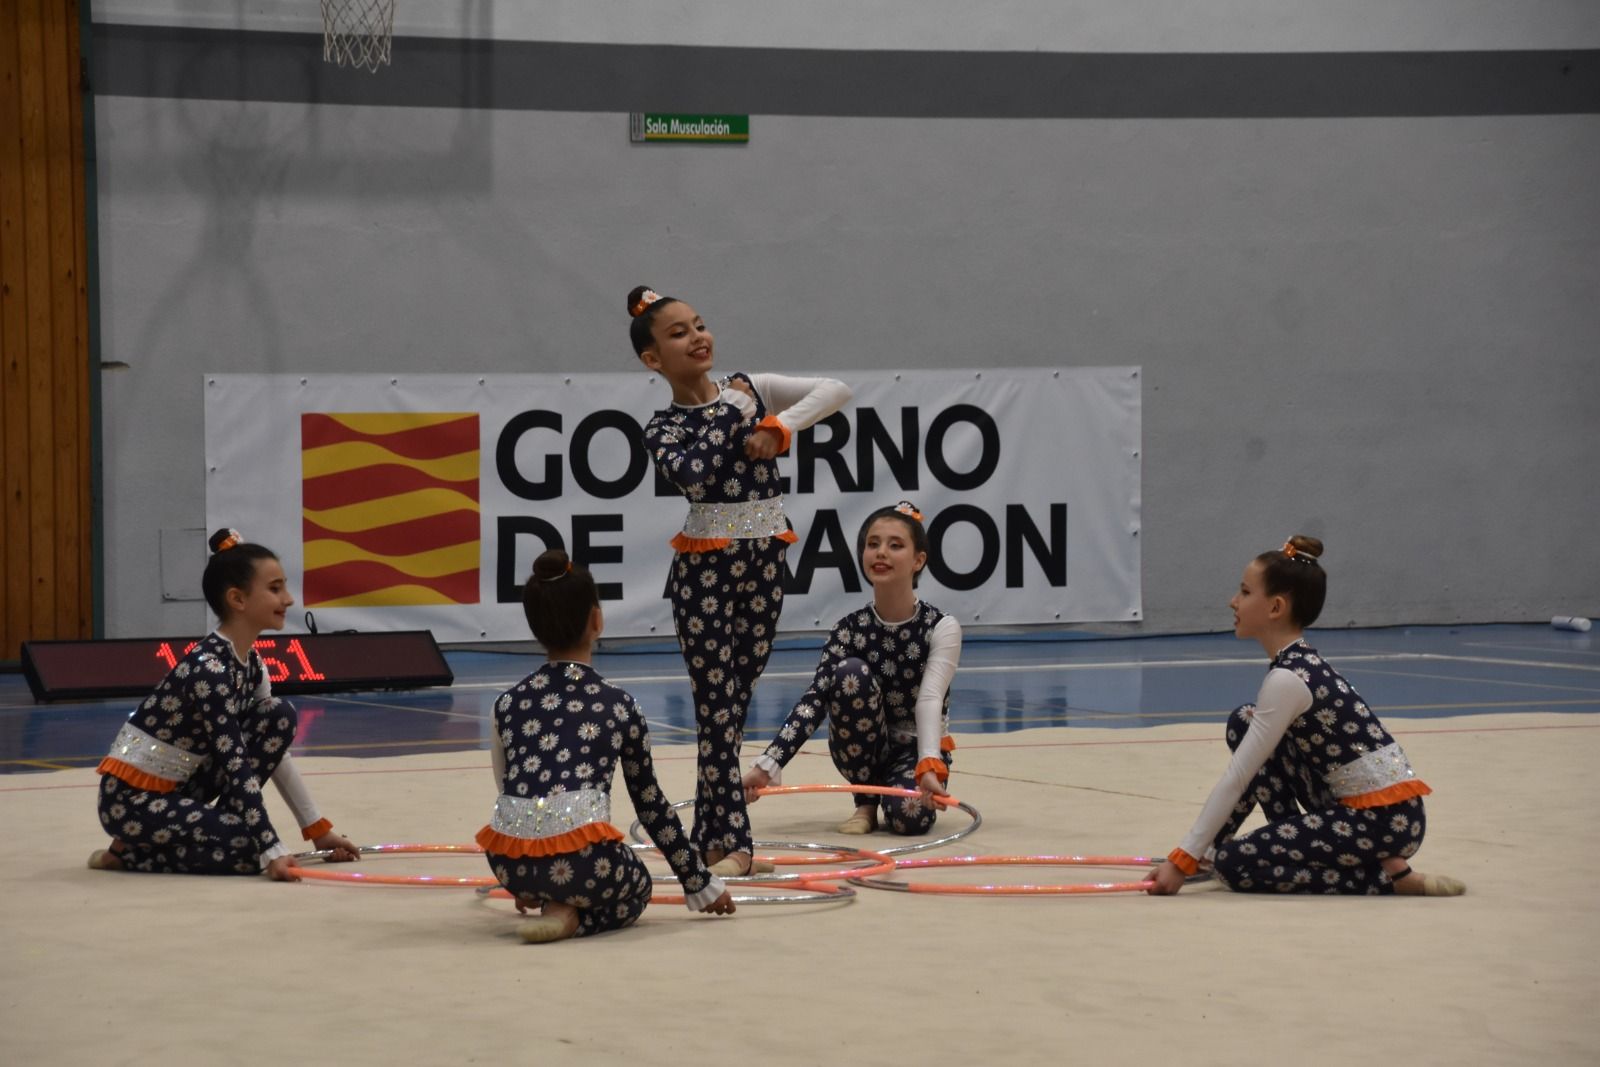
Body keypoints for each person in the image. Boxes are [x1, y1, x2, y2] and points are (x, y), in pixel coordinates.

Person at [629, 284, 851, 875]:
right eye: (678, 333)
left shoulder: (754, 387)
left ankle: (712, 840)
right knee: (715, 707)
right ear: (653, 360)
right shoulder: (663, 427)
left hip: (765, 562)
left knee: (732, 705)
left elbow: (837, 391)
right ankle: (737, 843)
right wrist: (733, 408)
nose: (698, 336)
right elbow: (697, 475)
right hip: (706, 570)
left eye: (699, 324)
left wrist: (781, 426)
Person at [1145, 535, 1464, 896]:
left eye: (1245, 593)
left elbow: (1238, 777)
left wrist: (1183, 856)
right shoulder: (1297, 664)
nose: (1233, 601)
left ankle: (1384, 879)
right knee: (1244, 721)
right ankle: (1247, 848)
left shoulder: (1287, 679)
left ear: (1276, 607)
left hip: (1385, 822)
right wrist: (1197, 852)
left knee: (1234, 866)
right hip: (1355, 809)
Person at [477, 550, 736, 943]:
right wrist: (698, 881)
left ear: (535, 626)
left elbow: (507, 787)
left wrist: (527, 865)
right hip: (584, 865)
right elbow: (650, 806)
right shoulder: (619, 704)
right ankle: (573, 917)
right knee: (639, 888)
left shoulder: (508, 703)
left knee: (546, 853)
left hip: (509, 863)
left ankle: (550, 895)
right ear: (596, 620)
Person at [89, 528, 358, 879]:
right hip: (131, 804)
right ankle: (129, 855)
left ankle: (225, 831)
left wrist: (317, 830)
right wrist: (270, 847)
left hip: (183, 788)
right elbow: (234, 763)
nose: (288, 599)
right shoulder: (209, 671)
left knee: (279, 715)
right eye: (275, 589)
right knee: (252, 854)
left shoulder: (253, 665)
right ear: (238, 599)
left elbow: (275, 751)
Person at [742, 501, 961, 835]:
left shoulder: (941, 627)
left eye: (895, 545)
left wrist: (928, 766)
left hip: (916, 746)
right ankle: (866, 802)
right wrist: (769, 764)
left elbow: (930, 698)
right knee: (849, 674)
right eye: (872, 544)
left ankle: (897, 791)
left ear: (919, 560)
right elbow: (814, 701)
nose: (881, 553)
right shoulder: (848, 630)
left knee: (909, 817)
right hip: (864, 748)